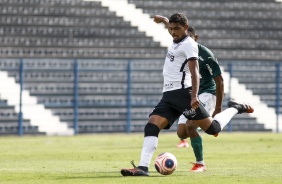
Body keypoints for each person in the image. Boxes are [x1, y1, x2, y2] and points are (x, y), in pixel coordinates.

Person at [120, 13, 253, 177]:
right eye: (171, 29)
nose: (173, 32)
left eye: (177, 29)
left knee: (212, 129)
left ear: (186, 28)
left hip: (183, 94)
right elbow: (172, 28)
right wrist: (164, 21)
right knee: (152, 125)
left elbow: (195, 71)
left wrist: (194, 96)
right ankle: (142, 167)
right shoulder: (177, 38)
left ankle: (236, 108)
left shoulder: (189, 44)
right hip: (168, 95)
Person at [154, 15, 224, 171]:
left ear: (195, 38)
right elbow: (172, 30)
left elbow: (220, 81)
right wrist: (164, 20)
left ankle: (200, 163)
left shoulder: (206, 55)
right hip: (189, 92)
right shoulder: (180, 44)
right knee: (181, 133)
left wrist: (218, 108)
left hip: (206, 93)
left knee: (191, 125)